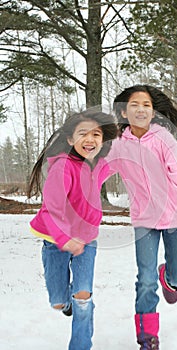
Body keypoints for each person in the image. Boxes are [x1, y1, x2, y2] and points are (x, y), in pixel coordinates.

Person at [106, 85, 177, 349]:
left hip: (175, 217)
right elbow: (99, 169)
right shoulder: (119, 146)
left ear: (153, 110)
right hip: (145, 220)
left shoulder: (163, 139)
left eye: (146, 104)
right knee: (145, 278)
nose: (141, 109)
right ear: (123, 111)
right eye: (135, 104)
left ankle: (167, 277)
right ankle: (147, 337)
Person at [27, 109, 117, 350]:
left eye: (96, 134)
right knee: (57, 301)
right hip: (54, 240)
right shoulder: (62, 168)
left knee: (83, 297)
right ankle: (65, 303)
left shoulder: (98, 165)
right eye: (83, 133)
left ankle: (80, 344)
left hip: (86, 241)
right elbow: (51, 210)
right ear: (70, 139)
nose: (90, 139)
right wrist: (64, 238)